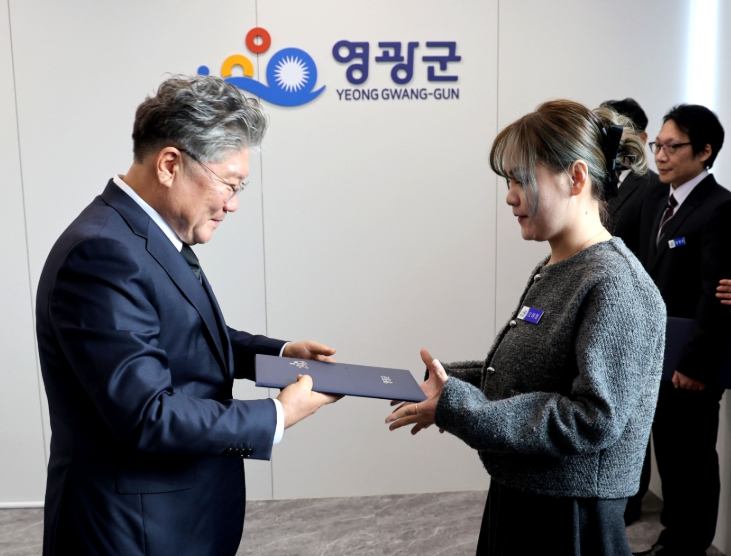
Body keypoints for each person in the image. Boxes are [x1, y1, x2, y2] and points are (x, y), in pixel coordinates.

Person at [36, 75, 339, 556]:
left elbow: (181, 336)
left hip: (174, 519)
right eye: (229, 185)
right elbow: (148, 414)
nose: (233, 204)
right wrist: (277, 415)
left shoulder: (137, 233)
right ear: (170, 165)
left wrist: (280, 355)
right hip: (133, 531)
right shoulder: (101, 254)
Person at [386, 100, 666, 556]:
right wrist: (448, 382)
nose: (511, 196)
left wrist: (461, 408)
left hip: (569, 517)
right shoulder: (558, 266)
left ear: (576, 178)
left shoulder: (616, 284)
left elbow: (592, 420)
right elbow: (531, 376)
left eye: (521, 180)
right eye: (509, 182)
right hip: (523, 495)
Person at [633, 104, 731, 556]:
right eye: (658, 145)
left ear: (705, 151)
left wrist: (695, 365)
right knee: (669, 452)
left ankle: (690, 543)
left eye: (673, 147)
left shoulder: (720, 207)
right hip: (658, 354)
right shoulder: (658, 199)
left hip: (693, 362)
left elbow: (716, 295)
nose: (661, 155)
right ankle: (673, 537)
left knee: (692, 455)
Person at [601, 98, 661, 258]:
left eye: (617, 134)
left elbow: (647, 251)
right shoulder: (592, 180)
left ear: (642, 138)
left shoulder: (654, 186)